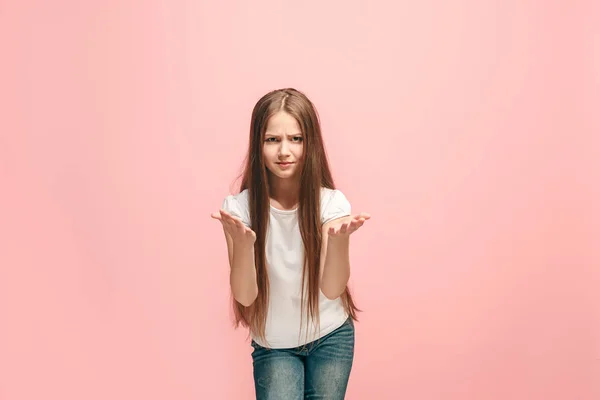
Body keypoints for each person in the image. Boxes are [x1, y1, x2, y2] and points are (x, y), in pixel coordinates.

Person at [211, 88, 370, 399]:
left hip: (331, 337)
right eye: (273, 139)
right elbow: (245, 296)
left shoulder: (331, 204)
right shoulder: (239, 211)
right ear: (258, 144)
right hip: (274, 345)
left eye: (295, 139)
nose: (284, 150)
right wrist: (243, 247)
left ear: (311, 143)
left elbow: (332, 289)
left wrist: (339, 243)